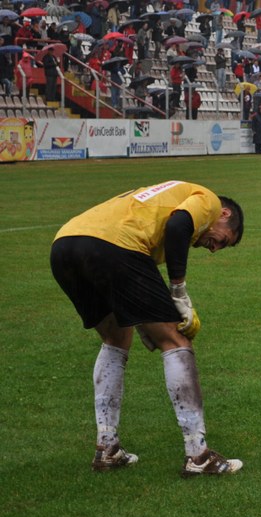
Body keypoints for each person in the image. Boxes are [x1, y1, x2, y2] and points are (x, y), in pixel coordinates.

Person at [49, 181, 245, 476]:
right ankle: (199, 456)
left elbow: (135, 277)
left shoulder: (156, 208)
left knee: (116, 337)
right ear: (225, 214)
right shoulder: (209, 200)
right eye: (224, 240)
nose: (215, 249)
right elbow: (179, 225)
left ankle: (107, 449)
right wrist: (179, 291)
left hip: (65, 245)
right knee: (176, 341)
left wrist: (143, 321)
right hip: (114, 244)